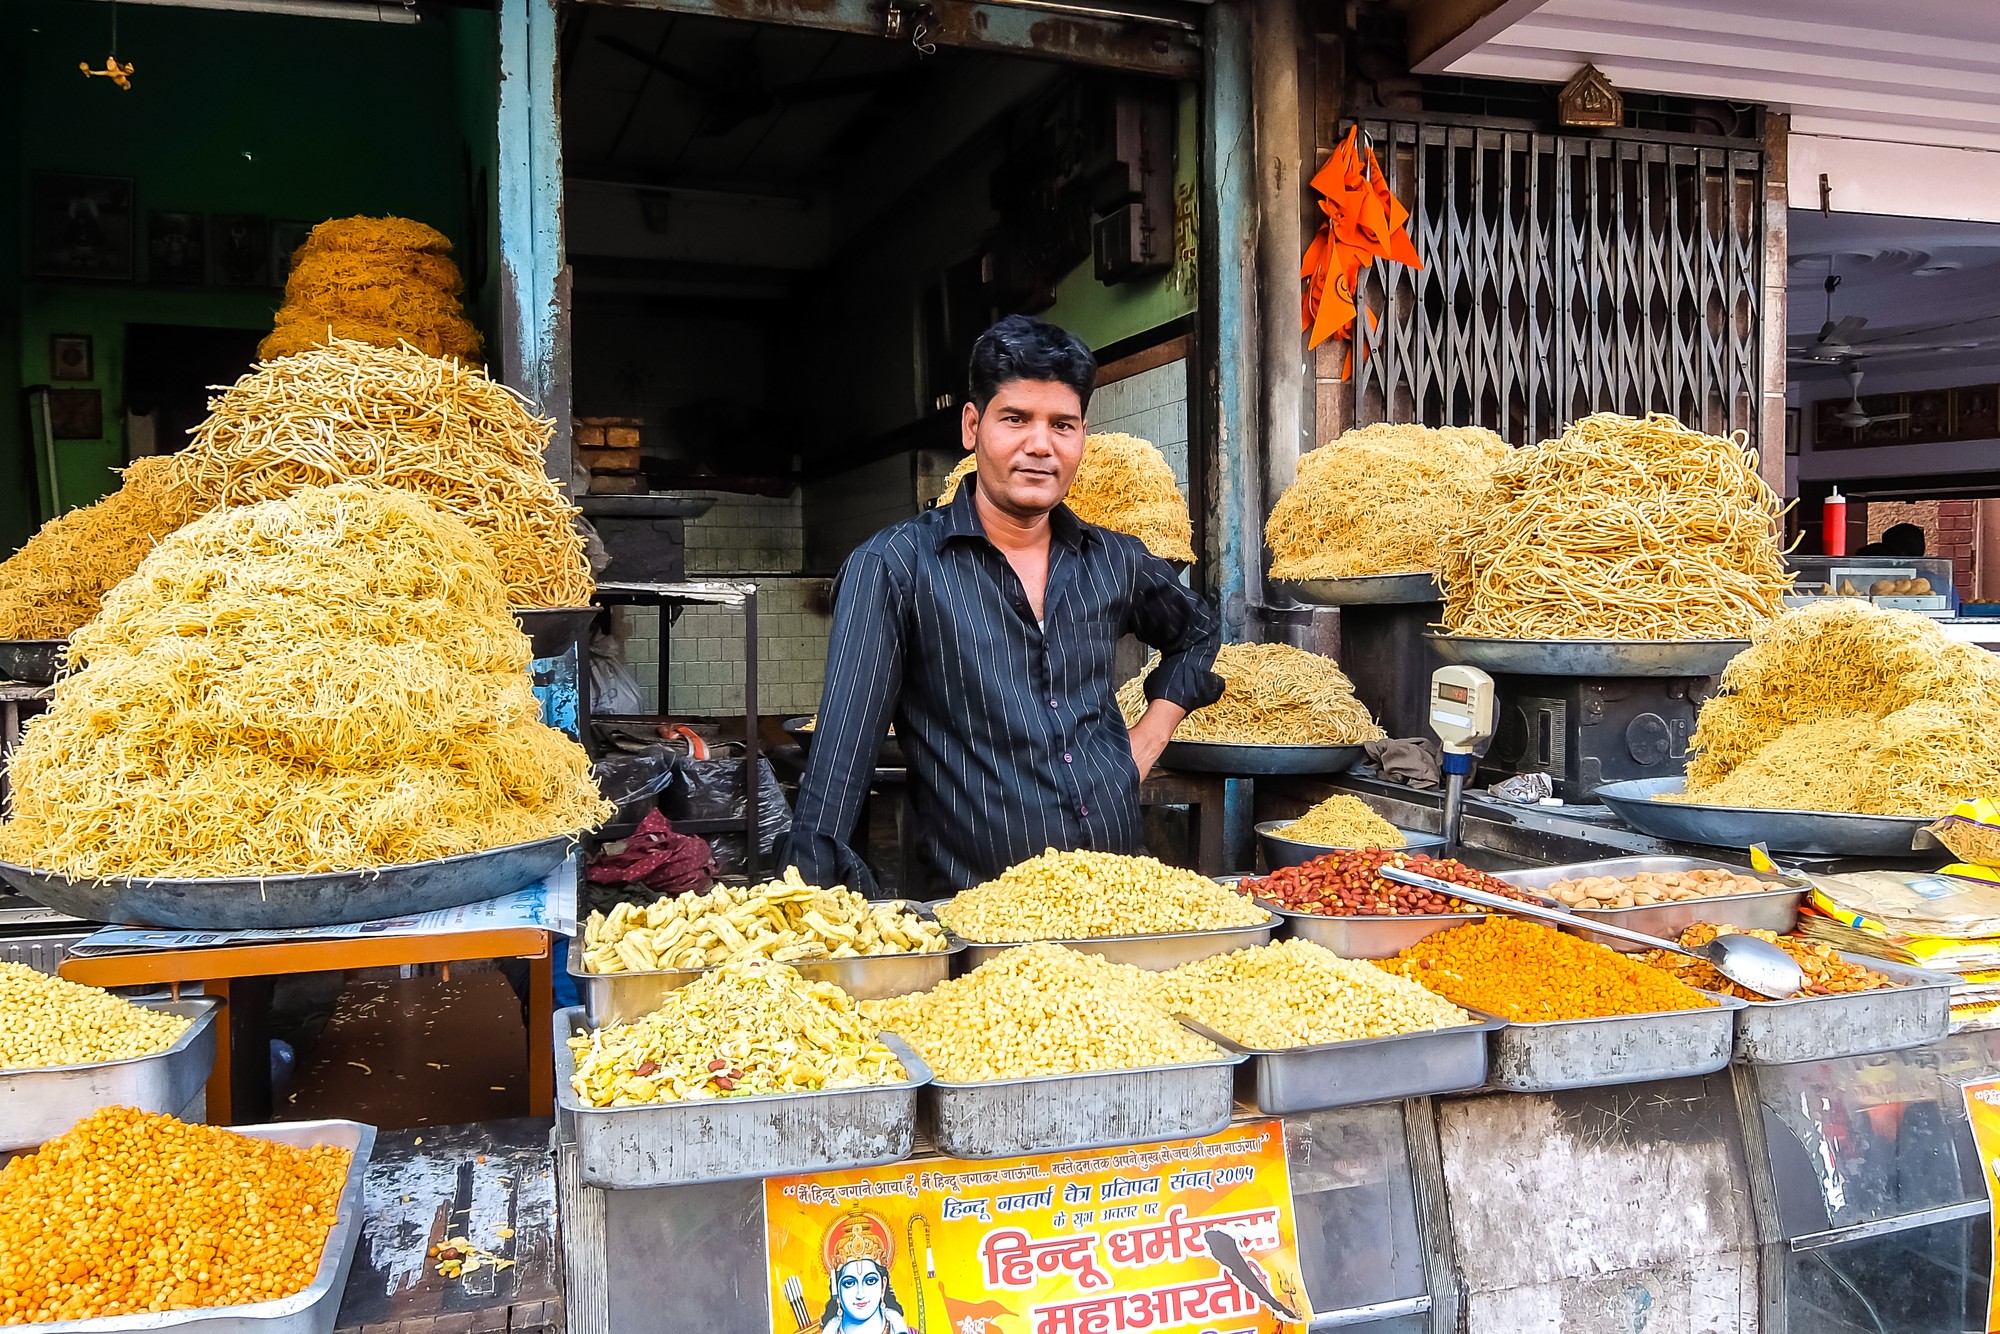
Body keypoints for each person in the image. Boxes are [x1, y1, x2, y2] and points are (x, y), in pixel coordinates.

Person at [783, 314, 1223, 896]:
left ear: (1082, 436)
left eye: (1062, 425)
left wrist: (1145, 741)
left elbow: (1196, 631)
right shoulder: (894, 568)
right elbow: (841, 757)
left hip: (1118, 897)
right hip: (977, 913)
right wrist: (803, 897)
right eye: (1015, 419)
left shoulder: (1115, 560)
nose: (1040, 445)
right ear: (972, 426)